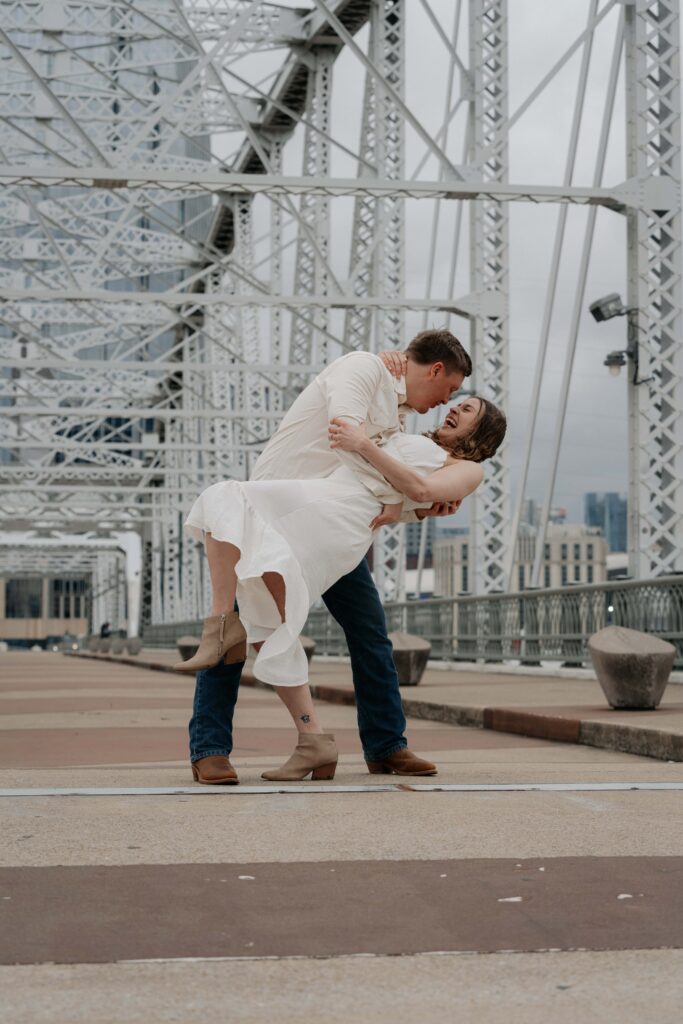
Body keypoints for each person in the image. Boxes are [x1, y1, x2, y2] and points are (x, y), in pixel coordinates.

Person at [178, 330, 499, 784]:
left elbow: (397, 472)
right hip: (280, 513)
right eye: (451, 391)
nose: (449, 402)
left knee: (369, 634)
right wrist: (412, 497)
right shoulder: (365, 370)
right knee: (238, 623)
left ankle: (385, 745)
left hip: (327, 522)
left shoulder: (400, 412)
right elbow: (344, 435)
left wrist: (411, 503)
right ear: (436, 370)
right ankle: (210, 750)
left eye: (462, 406)